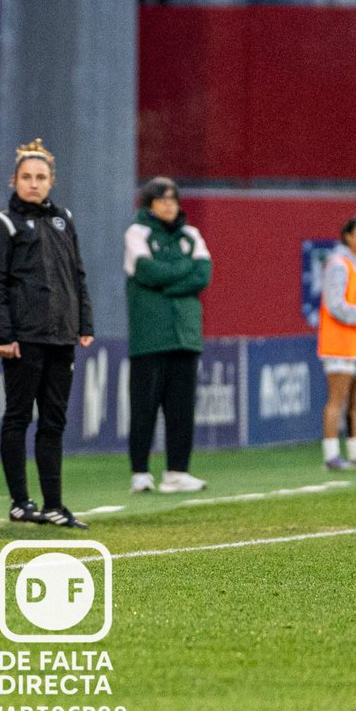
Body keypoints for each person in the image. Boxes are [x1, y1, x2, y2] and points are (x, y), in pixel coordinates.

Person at [0, 139, 95, 530]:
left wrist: (85, 323)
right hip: (23, 338)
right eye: (26, 177)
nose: (33, 183)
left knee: (54, 422)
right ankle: (20, 502)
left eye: (41, 177)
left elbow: (77, 275)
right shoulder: (3, 223)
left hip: (61, 337)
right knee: (18, 418)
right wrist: (4, 334)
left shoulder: (63, 218)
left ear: (52, 181)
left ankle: (55, 505)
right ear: (14, 180)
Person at [124, 175, 211, 494]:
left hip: (185, 335)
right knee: (144, 406)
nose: (169, 206)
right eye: (161, 201)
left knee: (181, 408)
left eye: (173, 200)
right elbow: (147, 271)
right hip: (150, 337)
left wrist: (166, 285)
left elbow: (203, 275)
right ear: (149, 205)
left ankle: (177, 472)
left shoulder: (191, 234)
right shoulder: (138, 233)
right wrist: (181, 277)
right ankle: (140, 472)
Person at [317, 215, 356, 470]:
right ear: (348, 236)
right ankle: (331, 454)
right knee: (337, 400)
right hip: (338, 343)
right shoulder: (338, 264)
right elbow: (336, 305)